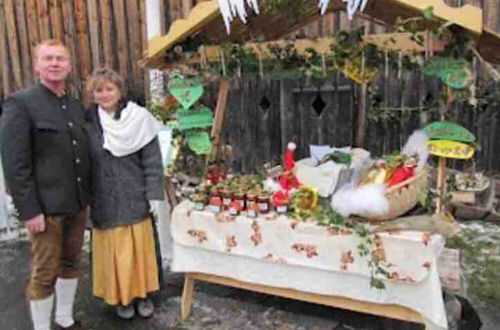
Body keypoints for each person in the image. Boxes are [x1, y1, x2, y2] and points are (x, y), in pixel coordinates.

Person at [0, 39, 91, 330]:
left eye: (60, 59)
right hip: (45, 209)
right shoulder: (21, 104)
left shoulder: (75, 106)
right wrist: (29, 211)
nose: (54, 63)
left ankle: (64, 318)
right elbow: (15, 163)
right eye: (48, 58)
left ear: (69, 65)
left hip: (76, 203)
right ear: (37, 65)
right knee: (44, 271)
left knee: (70, 263)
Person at [85, 68, 164, 319]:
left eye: (109, 88)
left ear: (119, 91)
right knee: (115, 254)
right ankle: (121, 298)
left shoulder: (138, 118)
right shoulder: (87, 122)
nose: (105, 94)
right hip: (103, 197)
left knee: (139, 252)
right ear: (92, 94)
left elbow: (152, 159)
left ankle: (143, 295)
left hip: (134, 195)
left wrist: (152, 193)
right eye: (99, 90)